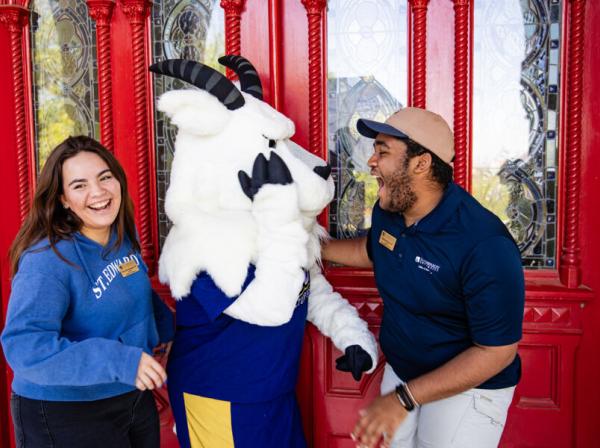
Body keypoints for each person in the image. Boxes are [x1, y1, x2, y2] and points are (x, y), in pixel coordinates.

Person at [322, 108, 525, 448]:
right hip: (405, 371)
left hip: (470, 388)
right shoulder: (389, 211)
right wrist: (310, 246)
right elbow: (374, 250)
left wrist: (404, 397)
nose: (371, 162)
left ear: (421, 163)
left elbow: (496, 352)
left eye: (383, 151)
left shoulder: (485, 244)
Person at [1, 136, 174, 448]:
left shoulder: (122, 235)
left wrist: (168, 332)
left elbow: (136, 295)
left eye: (105, 177)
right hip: (65, 410)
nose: (98, 192)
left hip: (129, 394)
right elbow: (25, 346)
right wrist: (121, 361)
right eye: (79, 185)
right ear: (63, 198)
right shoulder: (47, 261)